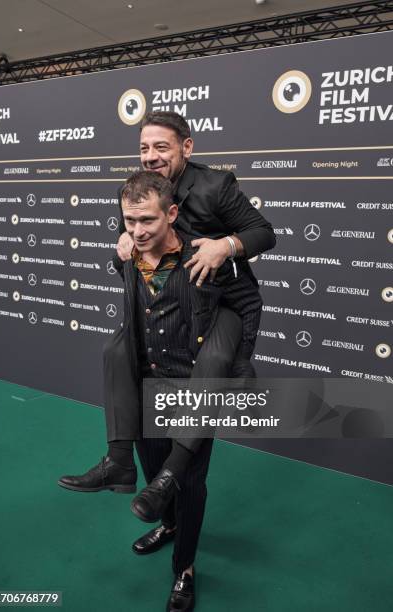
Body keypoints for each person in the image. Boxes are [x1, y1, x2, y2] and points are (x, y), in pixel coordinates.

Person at [58, 112, 275, 570]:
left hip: (219, 302)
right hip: (164, 341)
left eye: (162, 147)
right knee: (117, 351)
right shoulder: (139, 194)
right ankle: (155, 503)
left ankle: (185, 568)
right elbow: (131, 246)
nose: (152, 156)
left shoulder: (215, 187)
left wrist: (226, 246)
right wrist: (122, 242)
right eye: (144, 148)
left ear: (186, 148)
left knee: (210, 378)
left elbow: (263, 234)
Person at [97, 171, 264, 610]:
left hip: (194, 388)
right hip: (148, 385)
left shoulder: (204, 255)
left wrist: (240, 360)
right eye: (129, 221)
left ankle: (184, 569)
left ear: (171, 213)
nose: (137, 230)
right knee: (155, 475)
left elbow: (247, 302)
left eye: (147, 220)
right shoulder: (129, 252)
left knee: (187, 482)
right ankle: (167, 525)